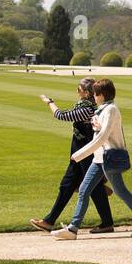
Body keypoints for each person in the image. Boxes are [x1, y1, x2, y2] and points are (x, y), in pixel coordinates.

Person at [53, 78, 132, 240]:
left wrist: (79, 155)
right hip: (100, 159)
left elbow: (102, 137)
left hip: (109, 158)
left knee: (121, 191)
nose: (93, 96)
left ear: (100, 95)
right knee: (84, 191)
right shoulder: (103, 109)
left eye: (95, 94)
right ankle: (72, 229)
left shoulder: (110, 110)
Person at [31, 78, 116, 234]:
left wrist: (49, 102)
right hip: (80, 153)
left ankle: (105, 222)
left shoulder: (87, 109)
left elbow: (61, 115)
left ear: (85, 92)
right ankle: (50, 220)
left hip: (85, 153)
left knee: (84, 187)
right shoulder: (89, 107)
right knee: (68, 185)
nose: (77, 93)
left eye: (78, 90)